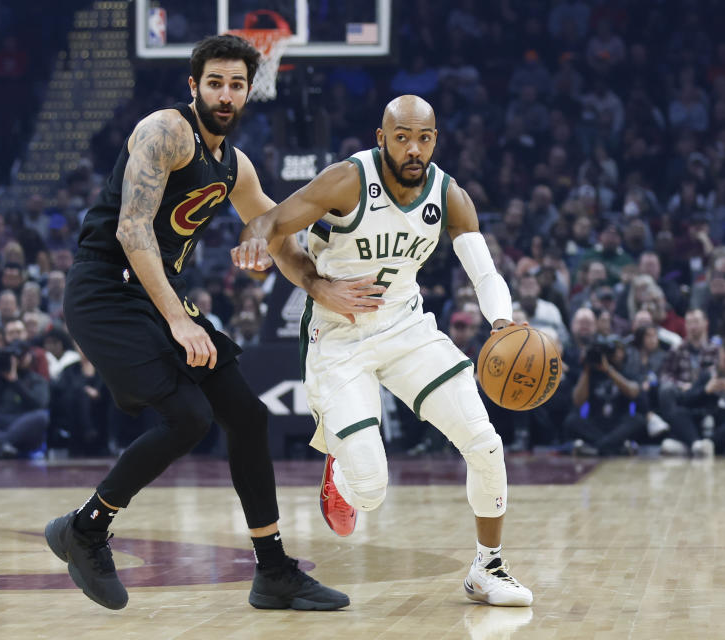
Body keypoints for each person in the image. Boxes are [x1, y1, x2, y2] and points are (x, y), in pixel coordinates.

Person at [44, 35, 376, 612]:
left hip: (156, 295)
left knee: (247, 414)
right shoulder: (164, 131)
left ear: (251, 91)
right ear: (193, 86)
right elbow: (132, 229)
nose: (226, 94)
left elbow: (276, 232)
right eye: (215, 82)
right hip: (105, 289)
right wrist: (180, 320)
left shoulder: (235, 166)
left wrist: (320, 284)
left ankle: (273, 571)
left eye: (237, 84)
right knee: (189, 417)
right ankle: (86, 528)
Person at [233, 95, 533, 607]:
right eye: (402, 138)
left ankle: (488, 568)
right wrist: (257, 241)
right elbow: (272, 222)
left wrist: (502, 322)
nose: (413, 149)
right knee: (370, 491)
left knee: (485, 443)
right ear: (382, 138)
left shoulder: (450, 195)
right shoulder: (347, 180)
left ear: (435, 139)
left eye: (424, 138)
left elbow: (485, 273)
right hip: (340, 335)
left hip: (406, 327)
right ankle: (341, 467)